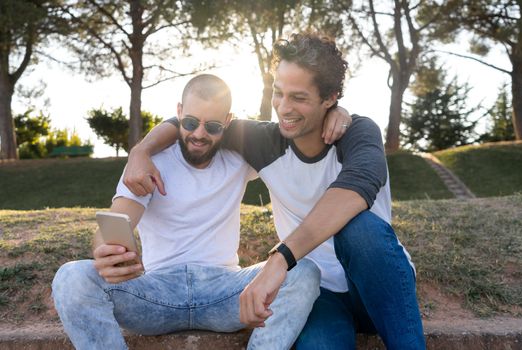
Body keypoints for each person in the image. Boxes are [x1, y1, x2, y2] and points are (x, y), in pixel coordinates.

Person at [124, 33, 425, 349]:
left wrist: (280, 258)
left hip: (374, 287)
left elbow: (355, 190)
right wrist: (141, 151)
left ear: (330, 98)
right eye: (279, 93)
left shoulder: (359, 133)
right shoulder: (263, 140)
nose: (283, 107)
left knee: (360, 229)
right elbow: (192, 121)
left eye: (299, 98)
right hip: (318, 293)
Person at [51, 74, 325, 350]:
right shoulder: (147, 162)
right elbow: (115, 221)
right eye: (191, 122)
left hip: (227, 292)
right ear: (179, 112)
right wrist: (106, 251)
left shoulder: (241, 155)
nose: (199, 134)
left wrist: (335, 113)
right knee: (71, 277)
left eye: (213, 126)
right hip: (156, 294)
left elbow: (296, 136)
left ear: (228, 122)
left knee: (303, 270)